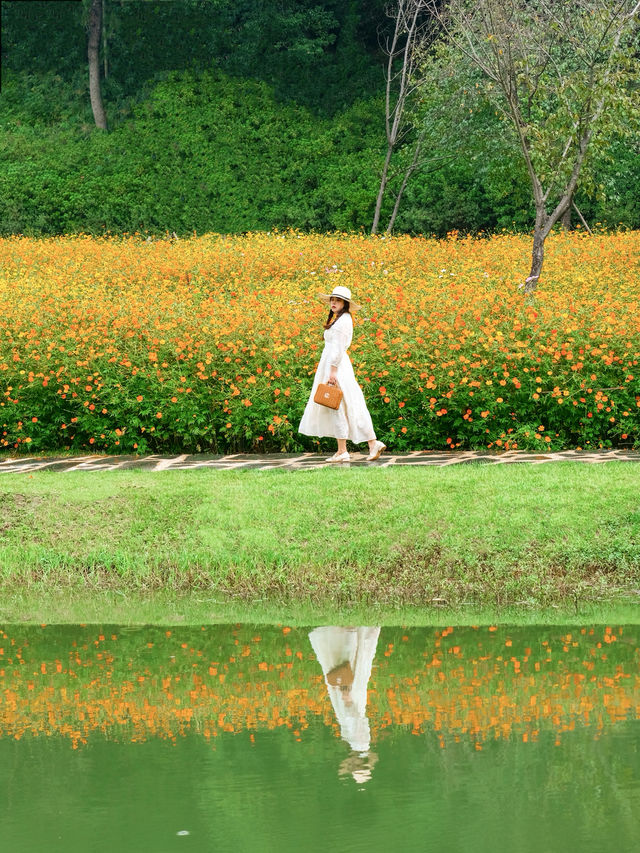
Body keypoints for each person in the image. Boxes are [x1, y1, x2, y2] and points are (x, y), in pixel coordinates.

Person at [298, 285, 386, 463]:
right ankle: (362, 445)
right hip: (334, 366)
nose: (333, 302)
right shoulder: (340, 319)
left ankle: (348, 449)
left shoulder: (344, 320)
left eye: (337, 300)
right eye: (332, 299)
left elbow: (338, 349)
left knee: (338, 404)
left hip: (336, 368)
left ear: (345, 303)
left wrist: (332, 372)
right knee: (345, 404)